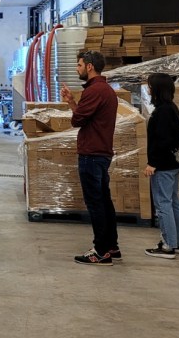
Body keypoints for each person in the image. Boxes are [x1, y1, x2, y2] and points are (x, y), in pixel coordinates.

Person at [60, 49, 120, 265]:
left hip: (92, 154)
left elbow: (77, 120)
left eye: (79, 65)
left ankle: (101, 251)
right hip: (100, 152)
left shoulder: (94, 91)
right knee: (103, 201)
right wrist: (72, 101)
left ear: (89, 66)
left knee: (95, 203)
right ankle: (111, 246)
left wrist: (72, 105)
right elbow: (84, 117)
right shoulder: (105, 90)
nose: (77, 69)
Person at [142, 73, 179, 259]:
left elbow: (163, 141)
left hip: (163, 165)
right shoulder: (171, 108)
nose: (148, 89)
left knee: (163, 204)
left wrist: (152, 163)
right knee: (173, 202)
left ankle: (168, 245)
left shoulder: (162, 112)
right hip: (173, 164)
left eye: (150, 86)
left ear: (157, 89)